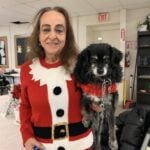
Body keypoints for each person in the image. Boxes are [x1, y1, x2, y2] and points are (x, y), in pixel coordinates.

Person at [19, 6, 100, 150]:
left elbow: (96, 99)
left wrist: (99, 103)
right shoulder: (27, 70)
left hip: (80, 145)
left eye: (59, 30)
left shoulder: (83, 65)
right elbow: (25, 107)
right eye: (46, 29)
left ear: (66, 36)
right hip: (43, 146)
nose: (52, 36)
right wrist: (27, 137)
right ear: (38, 35)